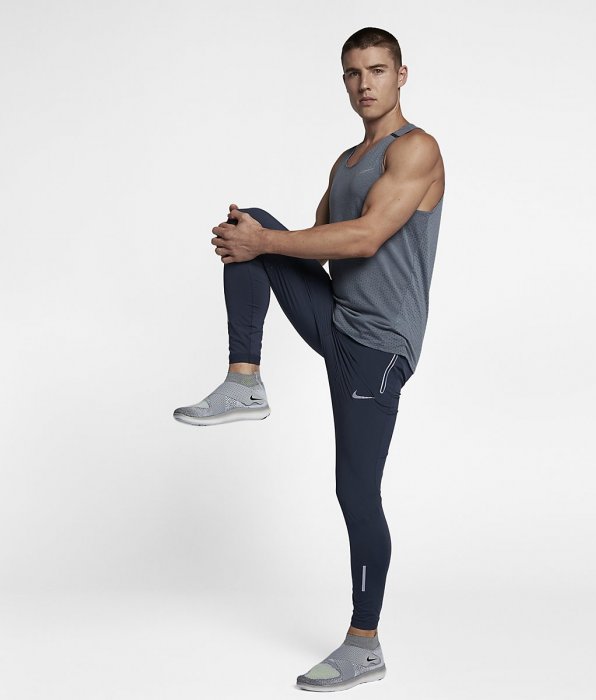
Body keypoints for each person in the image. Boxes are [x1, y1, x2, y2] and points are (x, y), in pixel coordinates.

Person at [173, 26, 445, 692]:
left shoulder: (417, 150)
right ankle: (245, 380)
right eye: (353, 72)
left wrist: (267, 243)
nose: (365, 84)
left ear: (402, 75)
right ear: (344, 80)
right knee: (252, 225)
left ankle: (364, 644)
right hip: (336, 319)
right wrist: (253, 241)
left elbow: (366, 237)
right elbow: (313, 246)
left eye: (377, 70)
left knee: (355, 492)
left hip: (377, 347)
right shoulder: (346, 162)